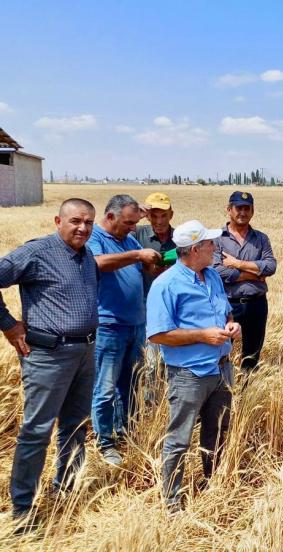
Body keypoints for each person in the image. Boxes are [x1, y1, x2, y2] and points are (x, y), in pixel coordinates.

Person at [1, 199, 98, 532]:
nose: (82, 228)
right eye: (75, 221)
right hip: (48, 355)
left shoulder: (86, 257)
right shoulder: (37, 252)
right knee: (37, 432)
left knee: (76, 426)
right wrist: (8, 325)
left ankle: (66, 491)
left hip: (85, 352)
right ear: (58, 220)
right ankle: (22, 510)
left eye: (88, 222)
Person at [146, 220, 240, 513]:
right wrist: (202, 335)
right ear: (195, 249)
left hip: (221, 369)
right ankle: (172, 500)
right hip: (189, 374)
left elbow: (226, 312)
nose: (215, 247)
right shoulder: (166, 285)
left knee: (218, 431)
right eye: (210, 244)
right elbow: (158, 335)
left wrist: (231, 325)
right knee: (179, 439)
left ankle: (213, 485)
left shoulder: (212, 276)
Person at [88, 194, 160, 466]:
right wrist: (138, 255)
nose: (133, 228)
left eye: (134, 222)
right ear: (110, 217)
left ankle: (125, 432)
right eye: (128, 223)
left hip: (135, 324)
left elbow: (146, 270)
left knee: (130, 385)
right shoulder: (95, 237)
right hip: (109, 325)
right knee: (105, 387)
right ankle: (105, 441)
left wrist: (152, 262)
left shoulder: (129, 240)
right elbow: (97, 264)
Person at [213, 191, 277, 372]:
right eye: (238, 208)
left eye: (247, 208)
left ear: (252, 211)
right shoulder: (217, 238)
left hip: (257, 304)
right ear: (229, 210)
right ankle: (223, 387)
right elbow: (217, 271)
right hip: (228, 304)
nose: (243, 212)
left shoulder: (261, 238)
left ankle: (249, 389)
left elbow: (271, 266)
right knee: (222, 352)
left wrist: (237, 264)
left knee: (252, 355)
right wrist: (254, 274)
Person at [133, 192, 176, 393]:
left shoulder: (180, 239)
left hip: (173, 306)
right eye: (153, 215)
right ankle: (151, 401)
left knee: (171, 358)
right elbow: (107, 234)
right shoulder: (136, 234)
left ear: (171, 215)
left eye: (163, 215)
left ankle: (169, 397)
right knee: (150, 361)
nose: (159, 221)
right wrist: (136, 215)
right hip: (145, 306)